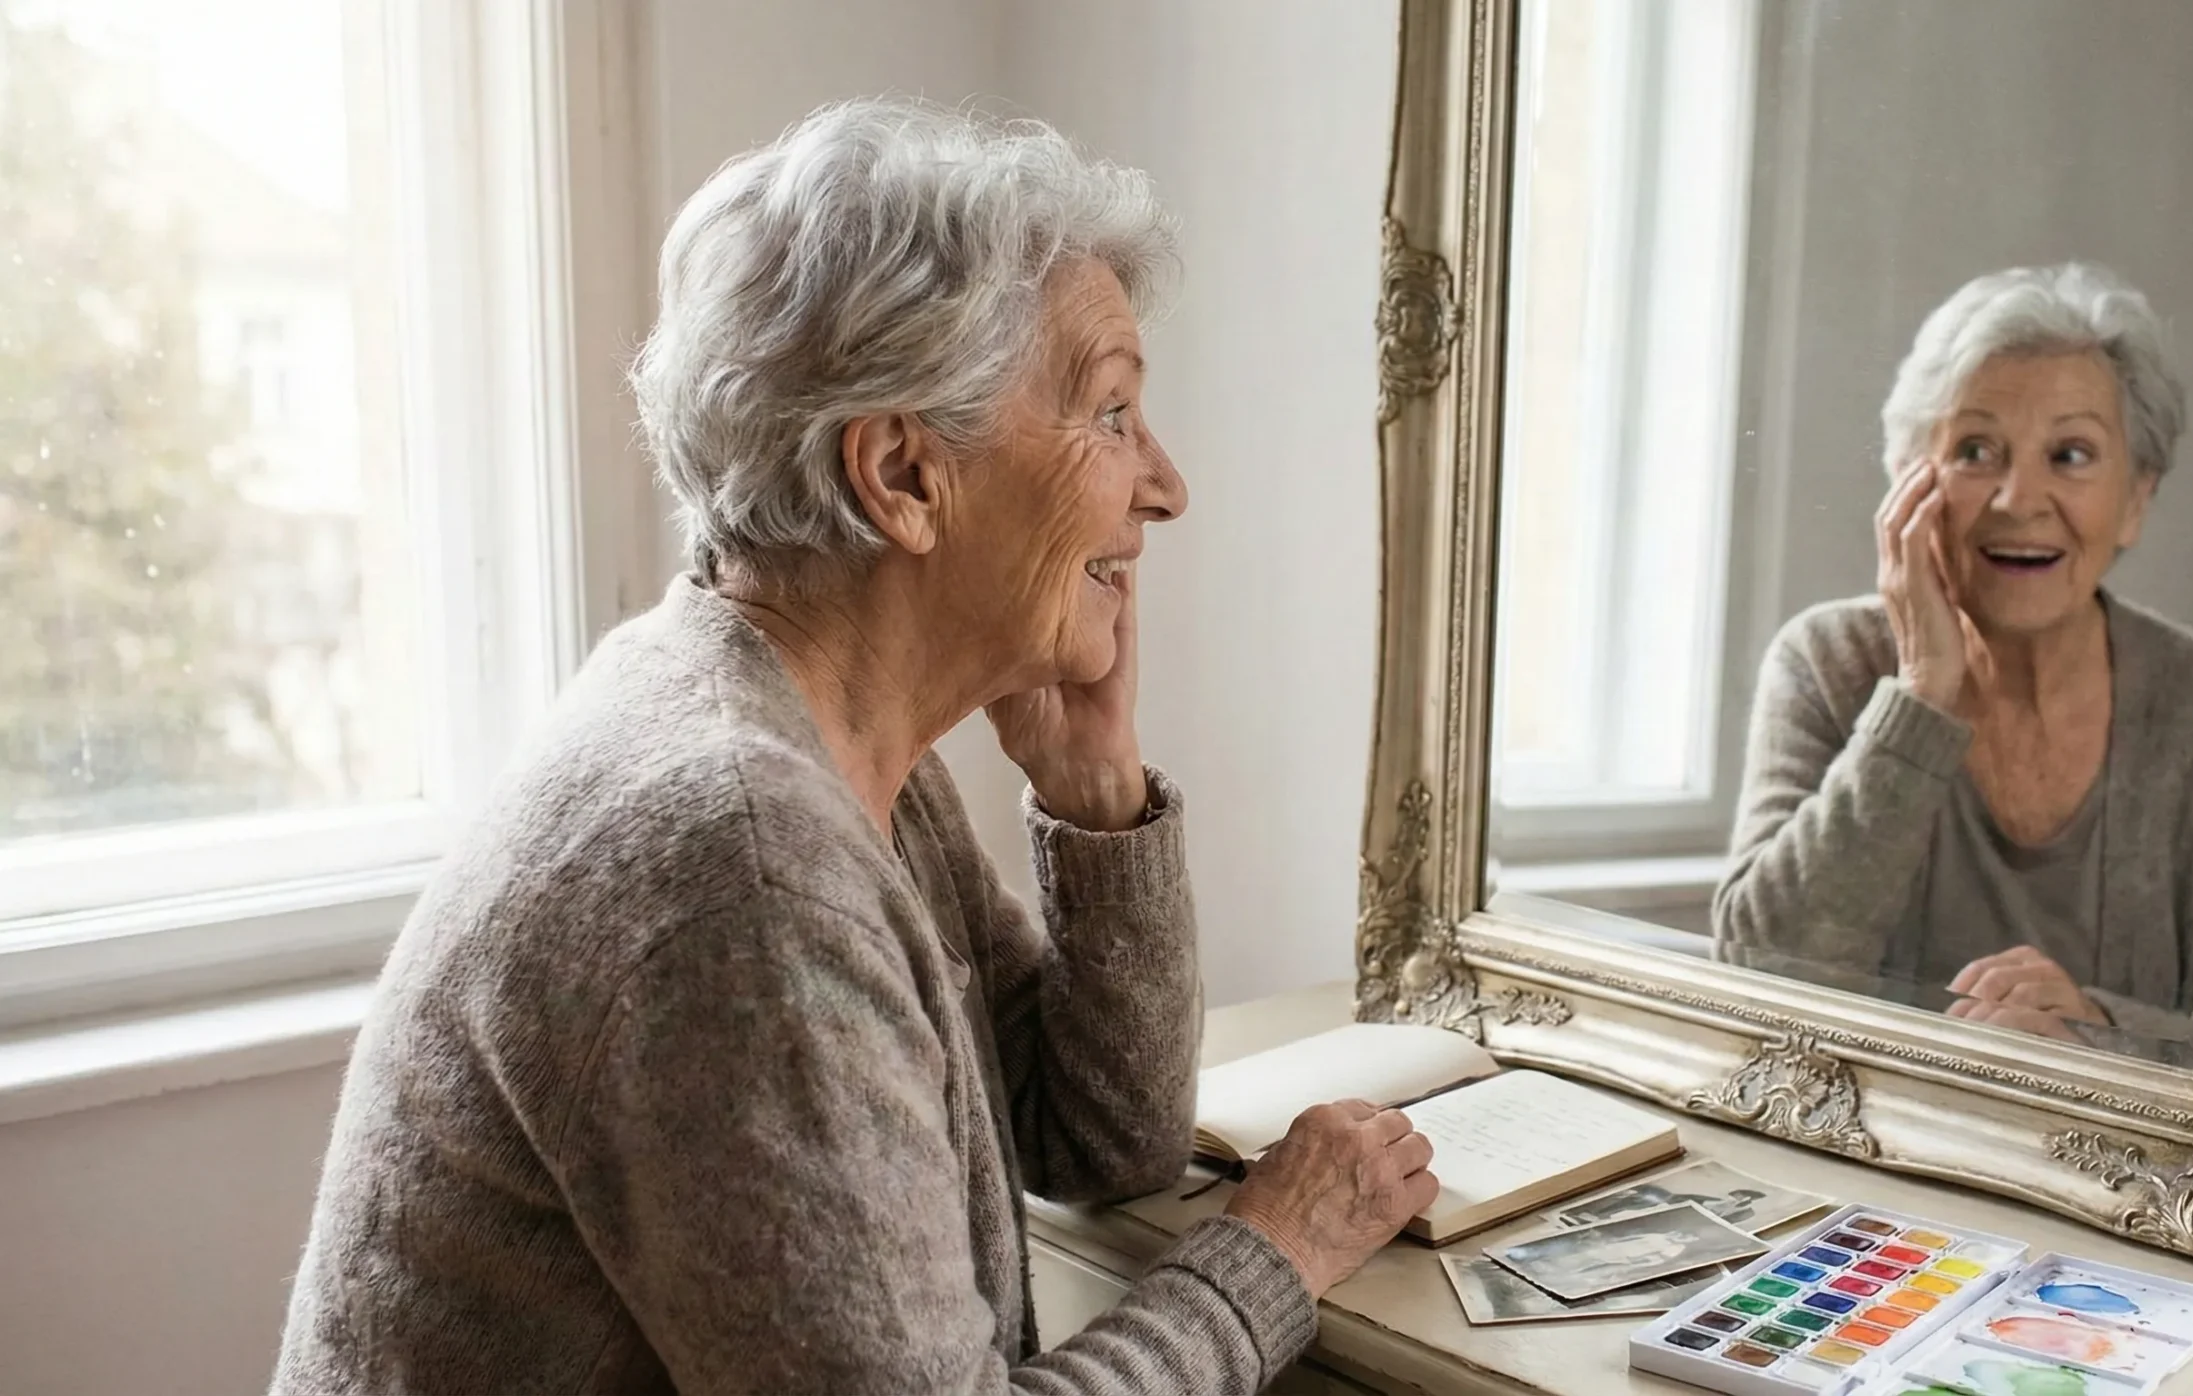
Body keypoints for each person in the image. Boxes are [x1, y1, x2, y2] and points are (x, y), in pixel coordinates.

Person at [270, 99, 1438, 1395]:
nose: (1162, 485)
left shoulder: (798, 734)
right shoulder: (739, 868)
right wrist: (1273, 1250)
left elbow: (1100, 1137)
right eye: (1110, 414)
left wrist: (1095, 793)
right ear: (901, 475)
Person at [1713, 264, 2193, 1059]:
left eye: (2073, 454)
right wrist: (1921, 695)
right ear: (1908, 481)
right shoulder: (1827, 663)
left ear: (2136, 498)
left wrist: (2092, 1029)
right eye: (1976, 449)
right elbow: (1759, 969)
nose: (2020, 499)